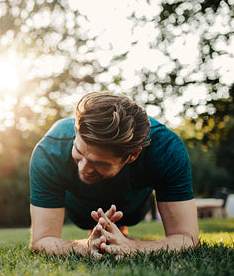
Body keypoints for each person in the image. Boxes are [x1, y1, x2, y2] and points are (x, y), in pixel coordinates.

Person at [29, 91, 199, 257]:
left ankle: (119, 228)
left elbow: (187, 238)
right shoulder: (49, 151)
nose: (83, 169)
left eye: (99, 163)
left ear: (133, 155)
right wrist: (86, 247)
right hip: (80, 211)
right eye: (78, 152)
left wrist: (131, 246)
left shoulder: (166, 149)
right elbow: (42, 240)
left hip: (132, 209)